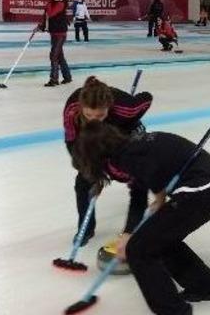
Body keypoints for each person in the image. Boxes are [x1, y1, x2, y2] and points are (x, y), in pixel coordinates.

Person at [73, 122, 210, 315]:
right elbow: (139, 192)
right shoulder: (128, 149)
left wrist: (159, 198)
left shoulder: (128, 156)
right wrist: (128, 232)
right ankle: (207, 287)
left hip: (201, 192)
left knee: (139, 250)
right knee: (156, 240)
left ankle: (173, 311)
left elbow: (151, 176)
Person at [63, 76, 153, 245]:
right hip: (95, 138)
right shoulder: (72, 110)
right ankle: (86, 228)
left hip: (127, 133)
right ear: (81, 107)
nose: (94, 119)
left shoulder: (127, 108)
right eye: (89, 114)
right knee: (83, 182)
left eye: (100, 114)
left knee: (137, 177)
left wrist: (129, 122)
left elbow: (147, 98)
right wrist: (90, 170)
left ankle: (133, 230)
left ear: (109, 108)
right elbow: (71, 141)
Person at [38, 0, 72, 87]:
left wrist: (48, 3)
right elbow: (47, 18)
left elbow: (52, 13)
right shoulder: (52, 2)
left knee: (53, 55)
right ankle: (67, 77)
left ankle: (54, 79)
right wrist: (41, 26)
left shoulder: (60, 2)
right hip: (54, 33)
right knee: (59, 56)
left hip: (60, 33)